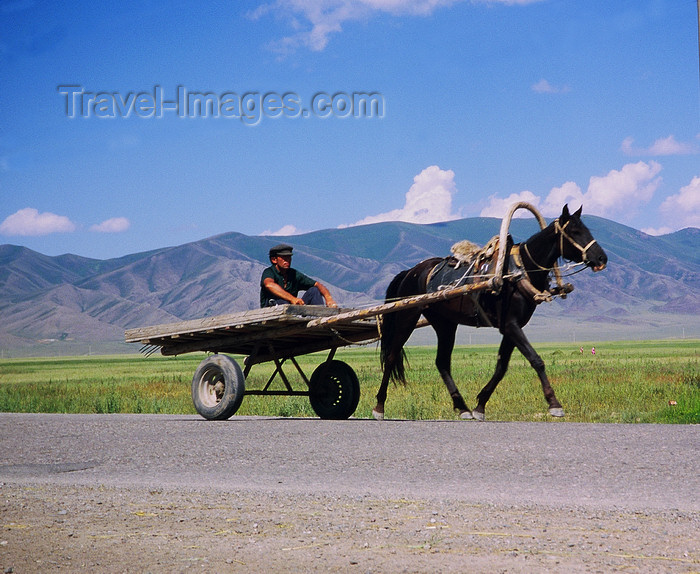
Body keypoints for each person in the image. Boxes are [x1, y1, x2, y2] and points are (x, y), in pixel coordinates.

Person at [260, 244, 338, 308]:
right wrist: (292, 299)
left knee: (314, 290)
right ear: (274, 260)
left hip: (292, 308)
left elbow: (317, 284)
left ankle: (319, 316)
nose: (287, 260)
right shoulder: (269, 272)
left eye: (289, 257)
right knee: (281, 301)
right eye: (284, 258)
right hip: (274, 309)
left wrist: (329, 299)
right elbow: (269, 284)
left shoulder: (294, 274)